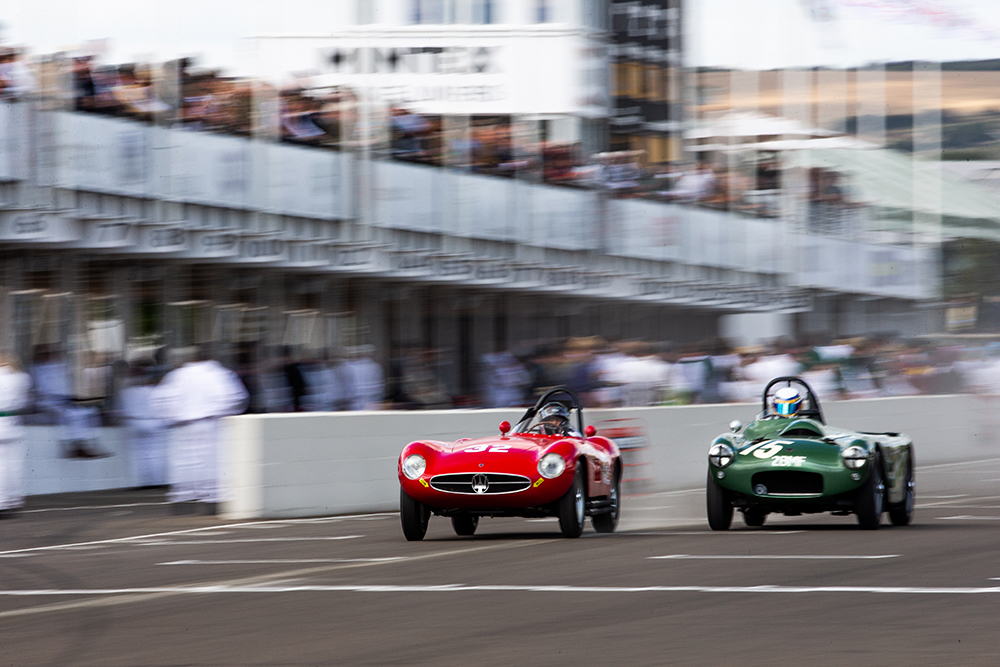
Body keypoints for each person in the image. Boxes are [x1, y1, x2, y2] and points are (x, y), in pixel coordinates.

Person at [151, 347, 249, 514]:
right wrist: (222, 413)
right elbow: (233, 397)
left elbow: (159, 400)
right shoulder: (216, 373)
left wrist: (172, 416)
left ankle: (183, 499)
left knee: (183, 463)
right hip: (208, 422)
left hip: (181, 425)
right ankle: (213, 499)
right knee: (212, 461)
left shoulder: (176, 375)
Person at [119, 361, 168, 488]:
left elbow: (121, 412)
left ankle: (142, 482)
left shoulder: (126, 392)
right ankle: (156, 482)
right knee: (154, 453)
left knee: (139, 455)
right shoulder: (153, 391)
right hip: (153, 422)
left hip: (136, 422)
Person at [0, 353, 31, 517]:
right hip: (15, 422)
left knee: (1, 466)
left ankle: (2, 502)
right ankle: (15, 499)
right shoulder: (22, 378)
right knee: (16, 465)